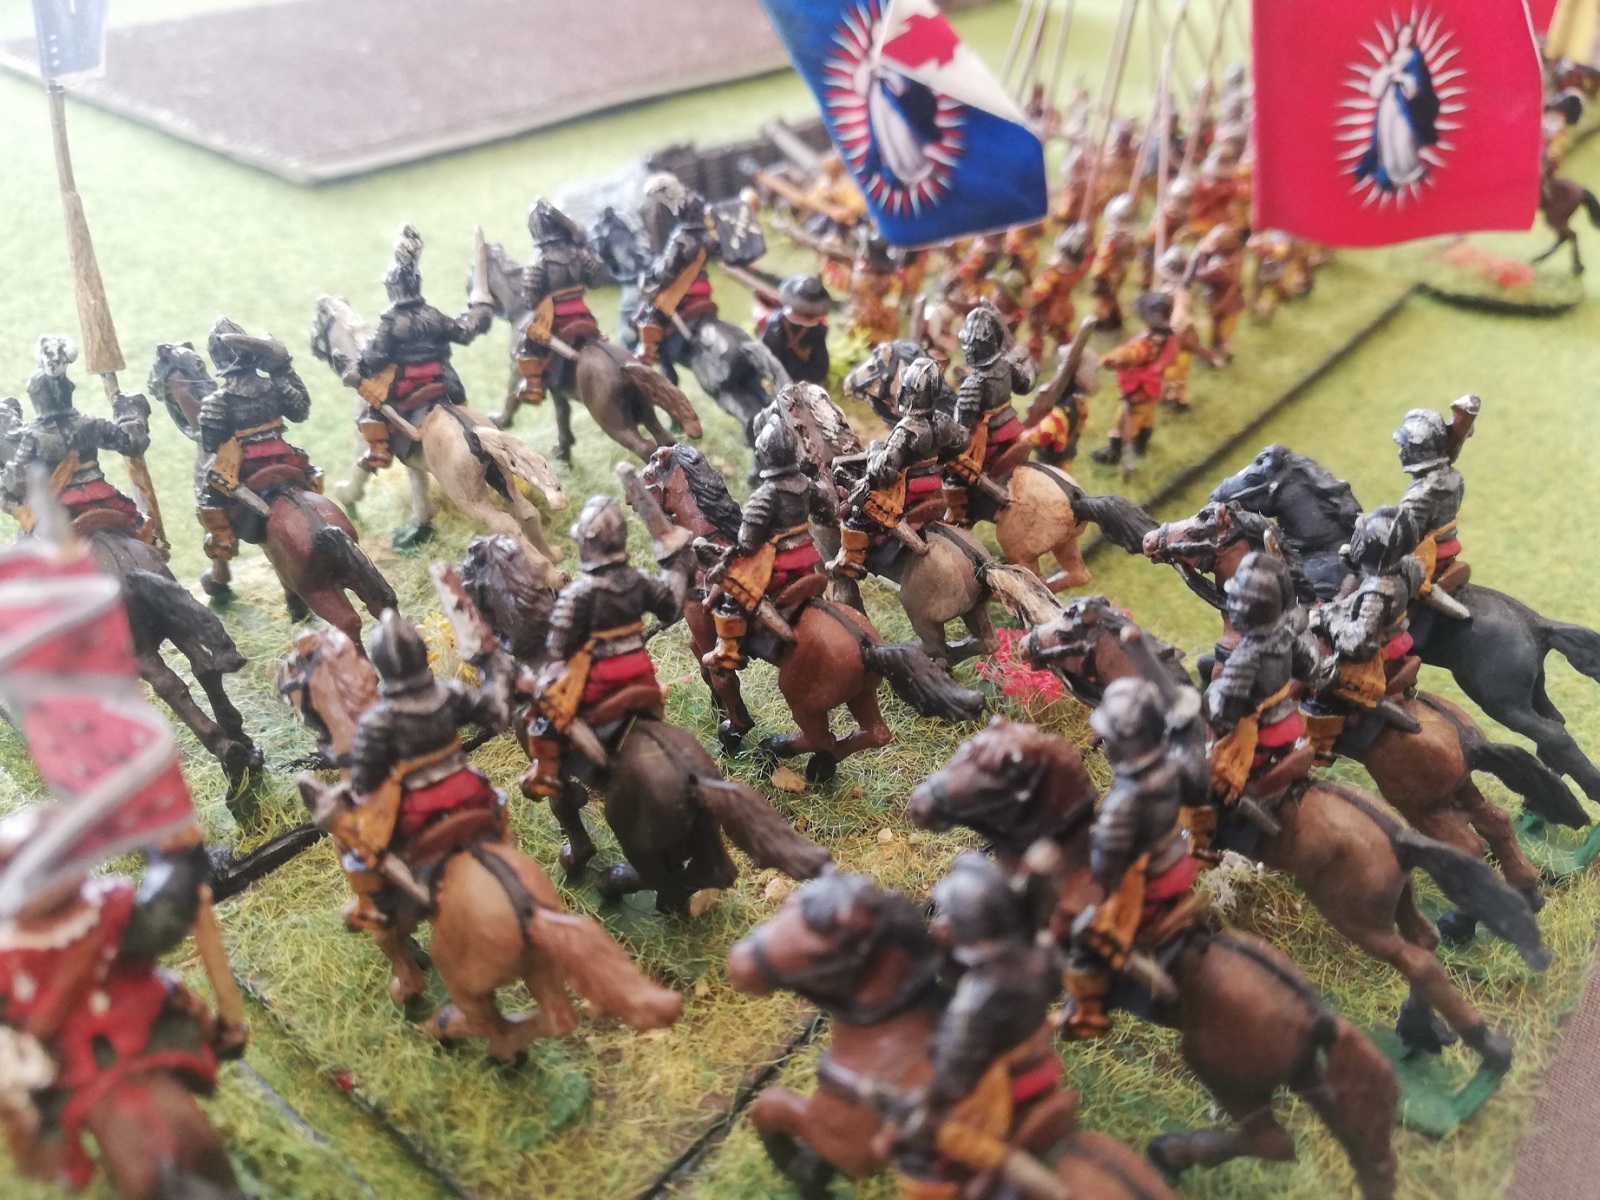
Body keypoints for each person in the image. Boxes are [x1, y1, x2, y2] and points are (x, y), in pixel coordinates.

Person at [0, 816, 243, 1197]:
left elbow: (162, 920)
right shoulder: (11, 956)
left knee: (196, 1142)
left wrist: (178, 860)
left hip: (144, 1036)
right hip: (79, 1067)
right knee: (137, 1167)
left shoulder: (104, 912)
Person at [890, 853, 1072, 1197]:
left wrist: (923, 1109)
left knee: (934, 1137)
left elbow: (952, 1078)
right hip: (1032, 1047)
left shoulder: (976, 1001)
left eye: (952, 920)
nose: (942, 925)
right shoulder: (1038, 951)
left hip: (994, 1083)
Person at [340, 610, 511, 931]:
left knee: (366, 849)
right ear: (422, 654)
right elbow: (497, 715)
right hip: (471, 791)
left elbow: (363, 783)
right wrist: (496, 670)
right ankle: (505, 843)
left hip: (417, 813)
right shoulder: (451, 693)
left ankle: (381, 909)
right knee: (497, 797)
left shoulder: (377, 721)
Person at [1061, 677, 1206, 1038]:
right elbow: (1197, 789)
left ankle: (1088, 1011)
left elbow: (1104, 870)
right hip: (1176, 857)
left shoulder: (1123, 802)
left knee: (1084, 930)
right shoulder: (1171, 765)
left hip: (1146, 878)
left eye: (1110, 736)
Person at [521, 497, 692, 798]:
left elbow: (557, 648)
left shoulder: (577, 594)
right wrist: (675, 566)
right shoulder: (639, 579)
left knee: (547, 703)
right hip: (641, 670)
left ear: (588, 542)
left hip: (601, 680)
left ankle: (556, 772)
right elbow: (670, 608)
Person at [352, 224, 495, 473]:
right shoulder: (433, 315)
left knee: (370, 407)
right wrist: (480, 311)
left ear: (392, 288)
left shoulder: (390, 321)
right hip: (447, 384)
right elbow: (464, 331)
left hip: (404, 387)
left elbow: (374, 359)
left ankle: (379, 451)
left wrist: (356, 364)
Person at [193, 319, 317, 593]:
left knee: (209, 497)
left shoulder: (216, 401)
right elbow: (300, 412)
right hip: (284, 456)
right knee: (310, 472)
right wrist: (284, 369)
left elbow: (211, 443)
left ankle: (223, 542)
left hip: (245, 466)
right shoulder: (276, 386)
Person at [704, 420, 837, 671]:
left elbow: (746, 542)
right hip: (807, 555)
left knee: (735, 588)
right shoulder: (807, 485)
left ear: (764, 456)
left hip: (778, 563)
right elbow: (829, 510)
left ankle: (728, 651)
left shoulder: (765, 495)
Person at [0, 336, 153, 544]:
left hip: (59, 507)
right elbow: (132, 443)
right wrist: (128, 412)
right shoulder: (90, 424)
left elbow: (14, 481)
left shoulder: (31, 438)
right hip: (104, 497)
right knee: (140, 527)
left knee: (28, 548)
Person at [1205, 552, 1327, 807]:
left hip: (1260, 728)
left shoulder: (1243, 660)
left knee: (1212, 778)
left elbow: (1224, 716)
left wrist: (1210, 697)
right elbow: (1307, 668)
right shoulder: (1286, 635)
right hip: (1287, 714)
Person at [1303, 508, 1425, 761]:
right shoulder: (1408, 565)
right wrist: (1359, 567)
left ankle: (1317, 746)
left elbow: (1357, 644)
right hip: (1389, 628)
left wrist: (1326, 617)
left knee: (1320, 681)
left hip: (1368, 655)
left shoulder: (1376, 592)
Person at [833, 358, 968, 580]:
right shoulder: (944, 421)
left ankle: (851, 559)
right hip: (932, 478)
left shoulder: (905, 430)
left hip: (903, 490)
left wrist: (875, 450)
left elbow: (884, 473)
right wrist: (939, 460)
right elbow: (962, 442)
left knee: (859, 509)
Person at [501, 199, 609, 426]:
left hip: (556, 320)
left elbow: (530, 300)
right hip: (582, 314)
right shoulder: (580, 254)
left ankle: (533, 386)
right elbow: (596, 281)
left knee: (525, 344)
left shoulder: (538, 263)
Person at [945, 303, 1036, 522]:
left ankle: (959, 515)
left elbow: (963, 428)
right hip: (1012, 425)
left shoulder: (974, 383)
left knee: (952, 467)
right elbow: (1024, 386)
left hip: (989, 436)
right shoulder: (1006, 364)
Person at [1391, 398, 1477, 602]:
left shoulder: (1418, 495)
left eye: (1405, 446)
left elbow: (1402, 537)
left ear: (1418, 450)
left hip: (1426, 557)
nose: (1401, 451)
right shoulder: (1454, 477)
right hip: (1448, 543)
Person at [634, 178, 720, 367]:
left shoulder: (680, 240)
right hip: (703, 287)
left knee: (649, 312)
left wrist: (650, 275)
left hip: (683, 292)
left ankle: (648, 353)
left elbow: (665, 273)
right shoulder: (707, 238)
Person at [1091, 292, 1181, 469]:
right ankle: (1141, 444)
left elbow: (1130, 355)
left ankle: (1117, 453)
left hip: (1139, 390)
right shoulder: (1170, 340)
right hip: (1153, 388)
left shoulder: (1145, 345)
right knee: (1146, 418)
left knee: (1123, 422)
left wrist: (1109, 359)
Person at [1354, 23, 1440, 194]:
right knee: (1387, 136)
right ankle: (1390, 173)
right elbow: (1378, 83)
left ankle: (1409, 170)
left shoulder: (1415, 58)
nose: (1405, 38)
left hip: (1404, 105)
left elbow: (1418, 84)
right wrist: (1386, 73)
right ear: (1398, 36)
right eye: (1403, 34)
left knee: (1403, 136)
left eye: (1409, 35)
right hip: (1388, 102)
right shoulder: (1393, 56)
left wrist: (1402, 78)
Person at [1025, 224, 1091, 361]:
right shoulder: (1077, 272)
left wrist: (1028, 297)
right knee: (1062, 334)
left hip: (1047, 310)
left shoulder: (1052, 274)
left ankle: (1033, 359)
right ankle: (1069, 354)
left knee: (1036, 335)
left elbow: (1039, 292)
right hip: (1064, 309)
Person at [759, 275, 832, 385]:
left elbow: (820, 364)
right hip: (779, 374)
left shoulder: (817, 330)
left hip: (804, 377)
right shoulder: (776, 324)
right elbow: (766, 354)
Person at [1088, 194, 1137, 331]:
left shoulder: (1125, 238)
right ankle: (1102, 323)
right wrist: (1102, 279)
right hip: (1106, 279)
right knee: (1105, 303)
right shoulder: (1109, 244)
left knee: (1112, 299)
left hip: (1116, 275)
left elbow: (1131, 254)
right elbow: (1101, 265)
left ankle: (1113, 318)